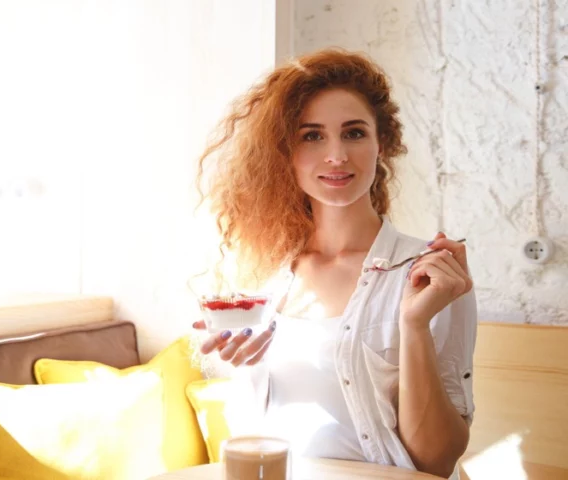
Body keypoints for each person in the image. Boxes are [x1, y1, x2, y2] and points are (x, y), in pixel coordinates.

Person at [192, 48, 477, 479]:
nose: (337, 155)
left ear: (382, 143)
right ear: (285, 152)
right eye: (312, 136)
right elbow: (257, 429)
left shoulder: (429, 276)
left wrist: (414, 325)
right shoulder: (263, 279)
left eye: (354, 133)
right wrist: (236, 364)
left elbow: (436, 462)